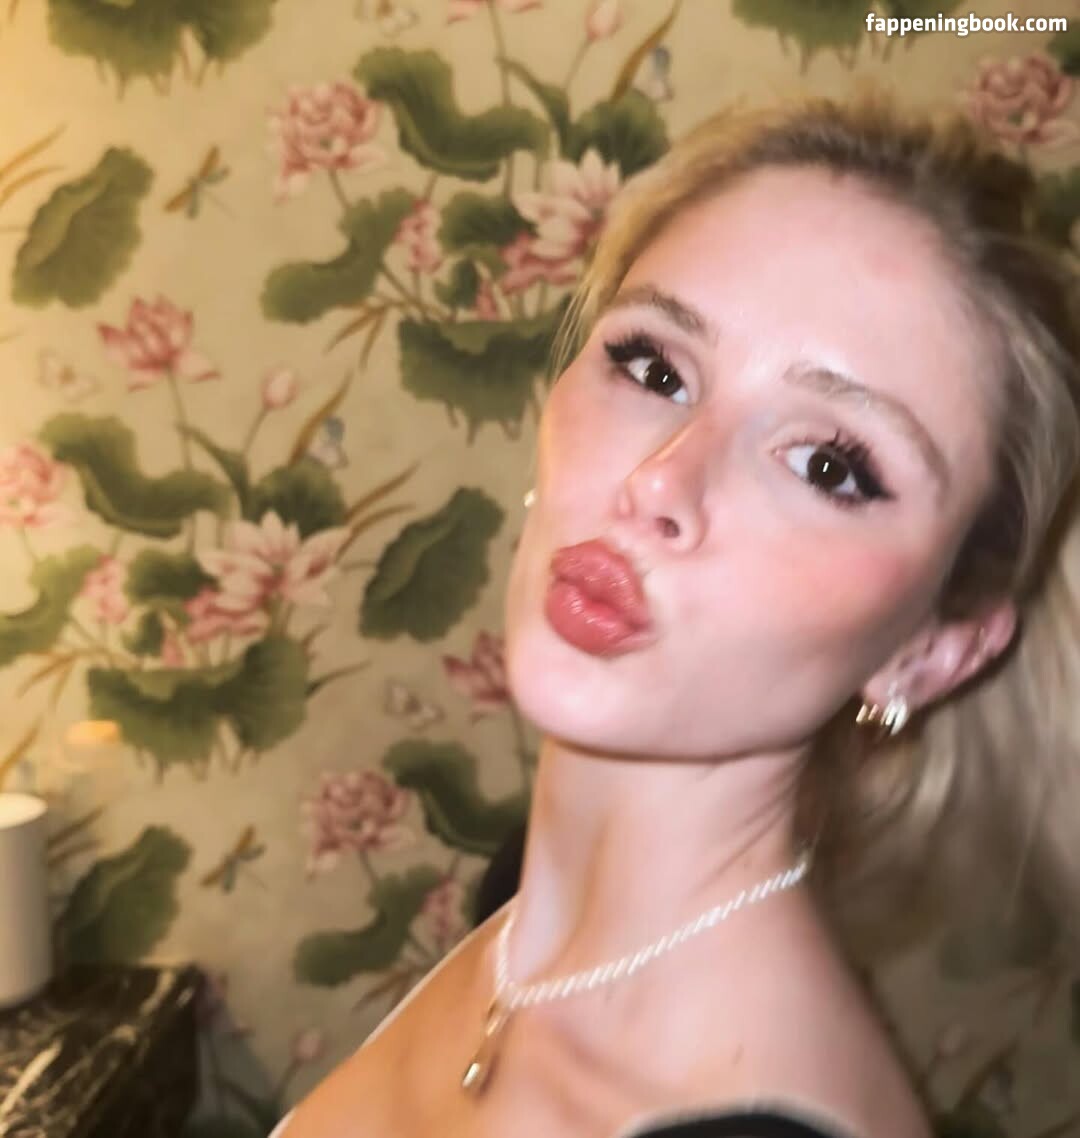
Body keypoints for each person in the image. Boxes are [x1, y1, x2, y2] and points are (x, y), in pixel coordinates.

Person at [271, 94, 1079, 1138]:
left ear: (932, 652)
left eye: (827, 465)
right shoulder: (523, 903)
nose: (660, 479)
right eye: (654, 368)